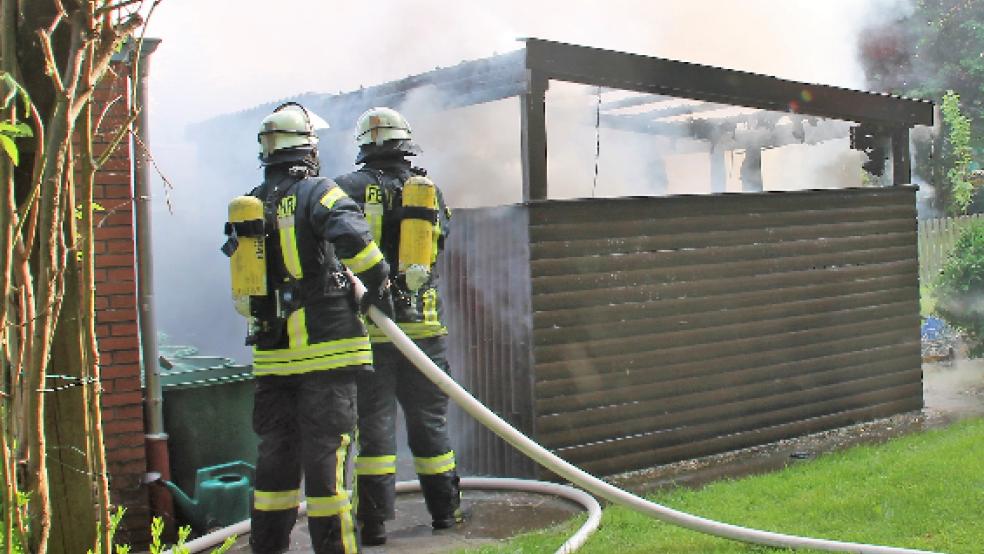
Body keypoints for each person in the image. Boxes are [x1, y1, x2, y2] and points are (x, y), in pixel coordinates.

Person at [223, 102, 392, 554]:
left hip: (272, 360)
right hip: (328, 355)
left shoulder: (252, 203)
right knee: (327, 470)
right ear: (309, 148)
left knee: (275, 465)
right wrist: (376, 286)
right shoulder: (320, 191)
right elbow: (358, 244)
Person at [334, 107, 461, 546]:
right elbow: (437, 245)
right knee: (431, 426)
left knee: (374, 429)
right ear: (405, 144)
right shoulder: (426, 191)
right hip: (424, 331)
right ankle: (445, 514)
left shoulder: (343, 190)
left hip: (370, 332)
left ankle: (373, 526)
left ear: (364, 146)